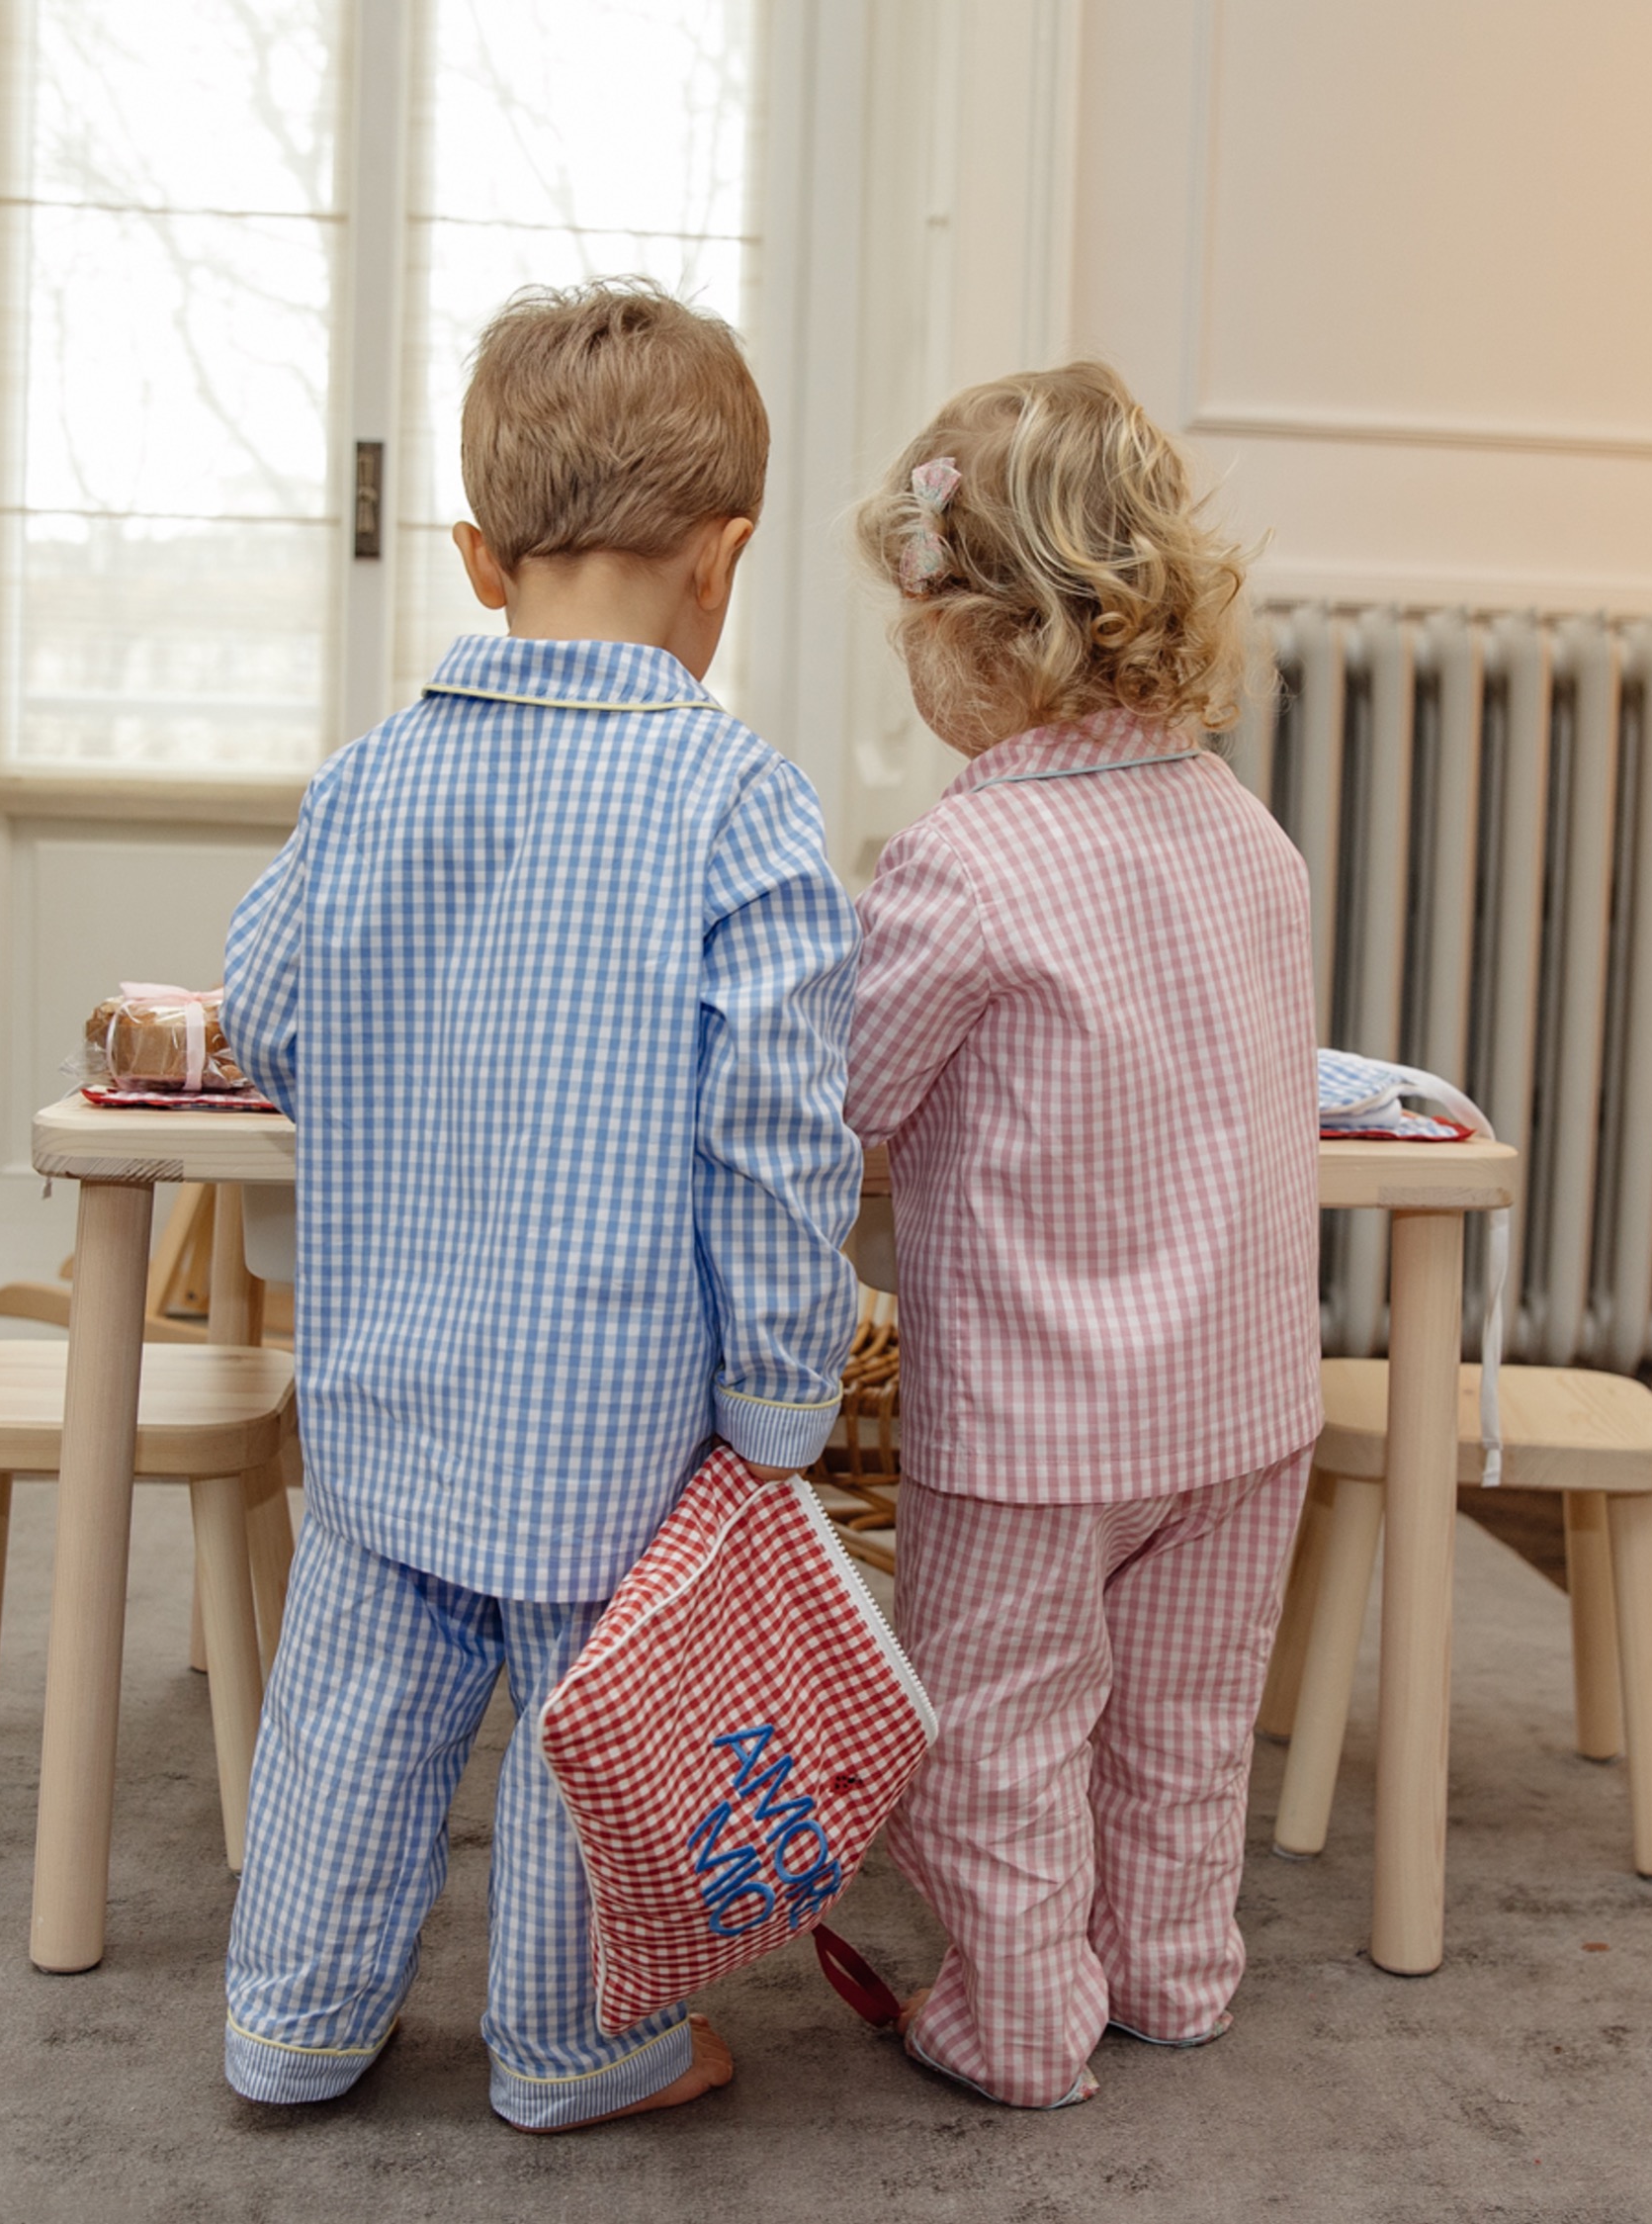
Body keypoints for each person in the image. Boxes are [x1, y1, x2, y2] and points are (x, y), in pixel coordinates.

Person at [217, 281, 862, 2131]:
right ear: (721, 563)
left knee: (344, 1716)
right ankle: (581, 2050)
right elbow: (780, 1139)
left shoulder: (367, 781)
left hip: (381, 1394)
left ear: (477, 555)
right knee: (599, 1744)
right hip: (612, 1428)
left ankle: (292, 2025)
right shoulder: (737, 806)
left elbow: (266, 1013)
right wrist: (781, 1401)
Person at [842, 362, 1322, 2109]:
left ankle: (1022, 2019)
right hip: (1248, 1404)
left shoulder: (964, 864)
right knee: (1185, 1725)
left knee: (995, 1735)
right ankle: (1174, 1976)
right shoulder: (1248, 836)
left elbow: (846, 1097)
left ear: (981, 634)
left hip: (1042, 1426)